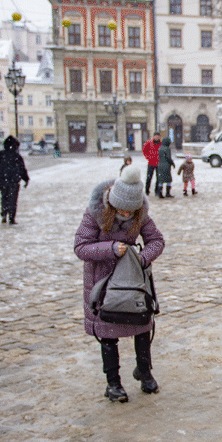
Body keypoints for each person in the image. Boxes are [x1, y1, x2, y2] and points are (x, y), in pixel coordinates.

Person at [74, 166, 165, 402]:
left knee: (142, 326)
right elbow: (81, 247)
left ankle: (144, 372)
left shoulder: (140, 215)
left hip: (133, 282)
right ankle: (113, 383)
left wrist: (141, 259)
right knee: (108, 333)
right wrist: (111, 249)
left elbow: (157, 240)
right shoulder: (95, 213)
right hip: (102, 284)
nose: (125, 213)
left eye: (130, 210)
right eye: (121, 209)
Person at [0, 135, 29, 225]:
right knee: (13, 198)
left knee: (4, 196)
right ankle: (11, 217)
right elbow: (22, 169)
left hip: (2, 180)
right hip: (14, 180)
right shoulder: (17, 156)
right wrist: (26, 179)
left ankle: (4, 214)